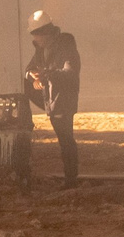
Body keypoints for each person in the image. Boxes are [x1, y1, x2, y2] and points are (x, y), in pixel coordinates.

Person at [24, 18, 83, 189]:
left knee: (66, 140)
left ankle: (71, 179)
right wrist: (34, 77)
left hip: (64, 100)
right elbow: (29, 69)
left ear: (46, 34)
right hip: (52, 100)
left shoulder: (66, 48)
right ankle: (71, 178)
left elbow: (70, 73)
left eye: (37, 36)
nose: (35, 40)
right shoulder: (41, 50)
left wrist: (47, 74)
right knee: (64, 139)